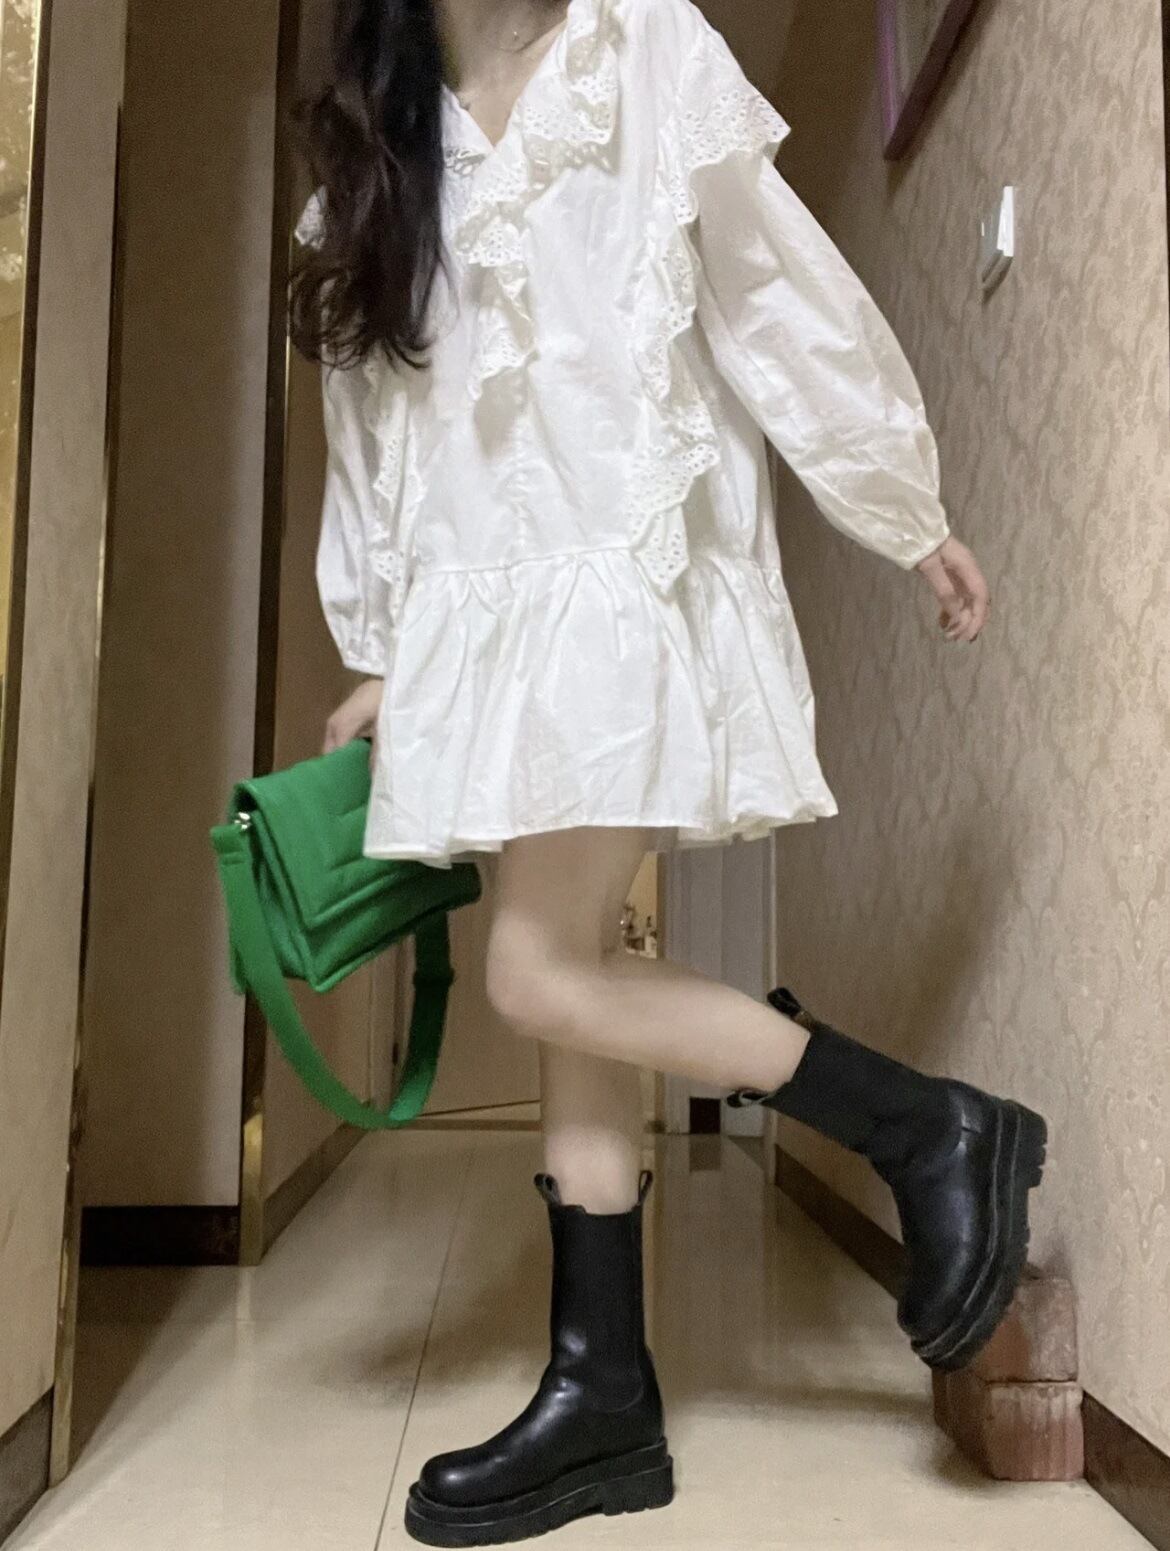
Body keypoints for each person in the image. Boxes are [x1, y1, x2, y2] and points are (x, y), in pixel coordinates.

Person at [292, 0, 1047, 1543]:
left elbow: (769, 291)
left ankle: (925, 1127)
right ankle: (602, 1391)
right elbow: (372, 425)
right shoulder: (377, 149)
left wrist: (896, 503)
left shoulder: (640, 47)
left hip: (630, 577)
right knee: (573, 989)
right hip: (485, 618)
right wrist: (380, 646)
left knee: (533, 974)